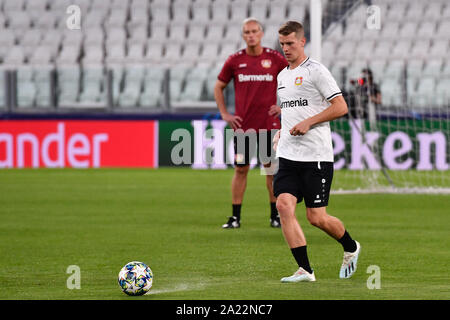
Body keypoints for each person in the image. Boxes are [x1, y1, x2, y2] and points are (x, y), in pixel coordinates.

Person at [272, 21, 361, 282]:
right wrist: (282, 128)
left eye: (290, 43)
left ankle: (351, 246)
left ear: (302, 41)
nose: (286, 48)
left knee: (316, 218)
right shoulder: (282, 75)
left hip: (316, 158)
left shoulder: (316, 71)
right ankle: (305, 270)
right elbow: (292, 110)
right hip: (288, 155)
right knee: (283, 205)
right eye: (282, 44)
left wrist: (309, 122)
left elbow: (341, 106)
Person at [214, 17, 288, 229]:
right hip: (243, 128)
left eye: (255, 31)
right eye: (247, 32)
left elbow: (294, 80)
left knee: (271, 170)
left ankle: (275, 216)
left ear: (262, 33)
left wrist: (284, 108)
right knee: (241, 169)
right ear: (243, 35)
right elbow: (218, 86)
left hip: (269, 126)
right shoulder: (235, 60)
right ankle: (235, 217)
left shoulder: (274, 58)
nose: (251, 35)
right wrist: (225, 114)